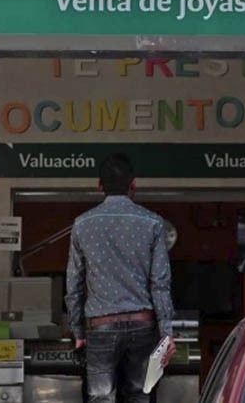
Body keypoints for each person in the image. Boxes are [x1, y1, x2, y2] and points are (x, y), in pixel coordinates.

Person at [65, 152, 176, 403]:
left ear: (99, 186)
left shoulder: (82, 224)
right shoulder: (153, 223)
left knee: (101, 397)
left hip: (100, 326)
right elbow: (160, 283)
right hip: (142, 325)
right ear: (132, 185)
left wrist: (78, 332)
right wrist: (166, 332)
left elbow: (73, 284)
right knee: (139, 395)